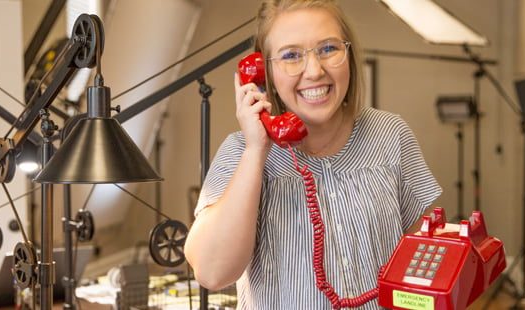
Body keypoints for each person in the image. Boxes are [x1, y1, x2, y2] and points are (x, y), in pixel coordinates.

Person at [184, 0, 441, 308]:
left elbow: (425, 261)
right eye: (291, 55)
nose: (315, 71)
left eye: (328, 49)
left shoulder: (390, 134)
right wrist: (257, 150)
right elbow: (212, 273)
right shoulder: (241, 151)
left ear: (349, 55)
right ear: (263, 73)